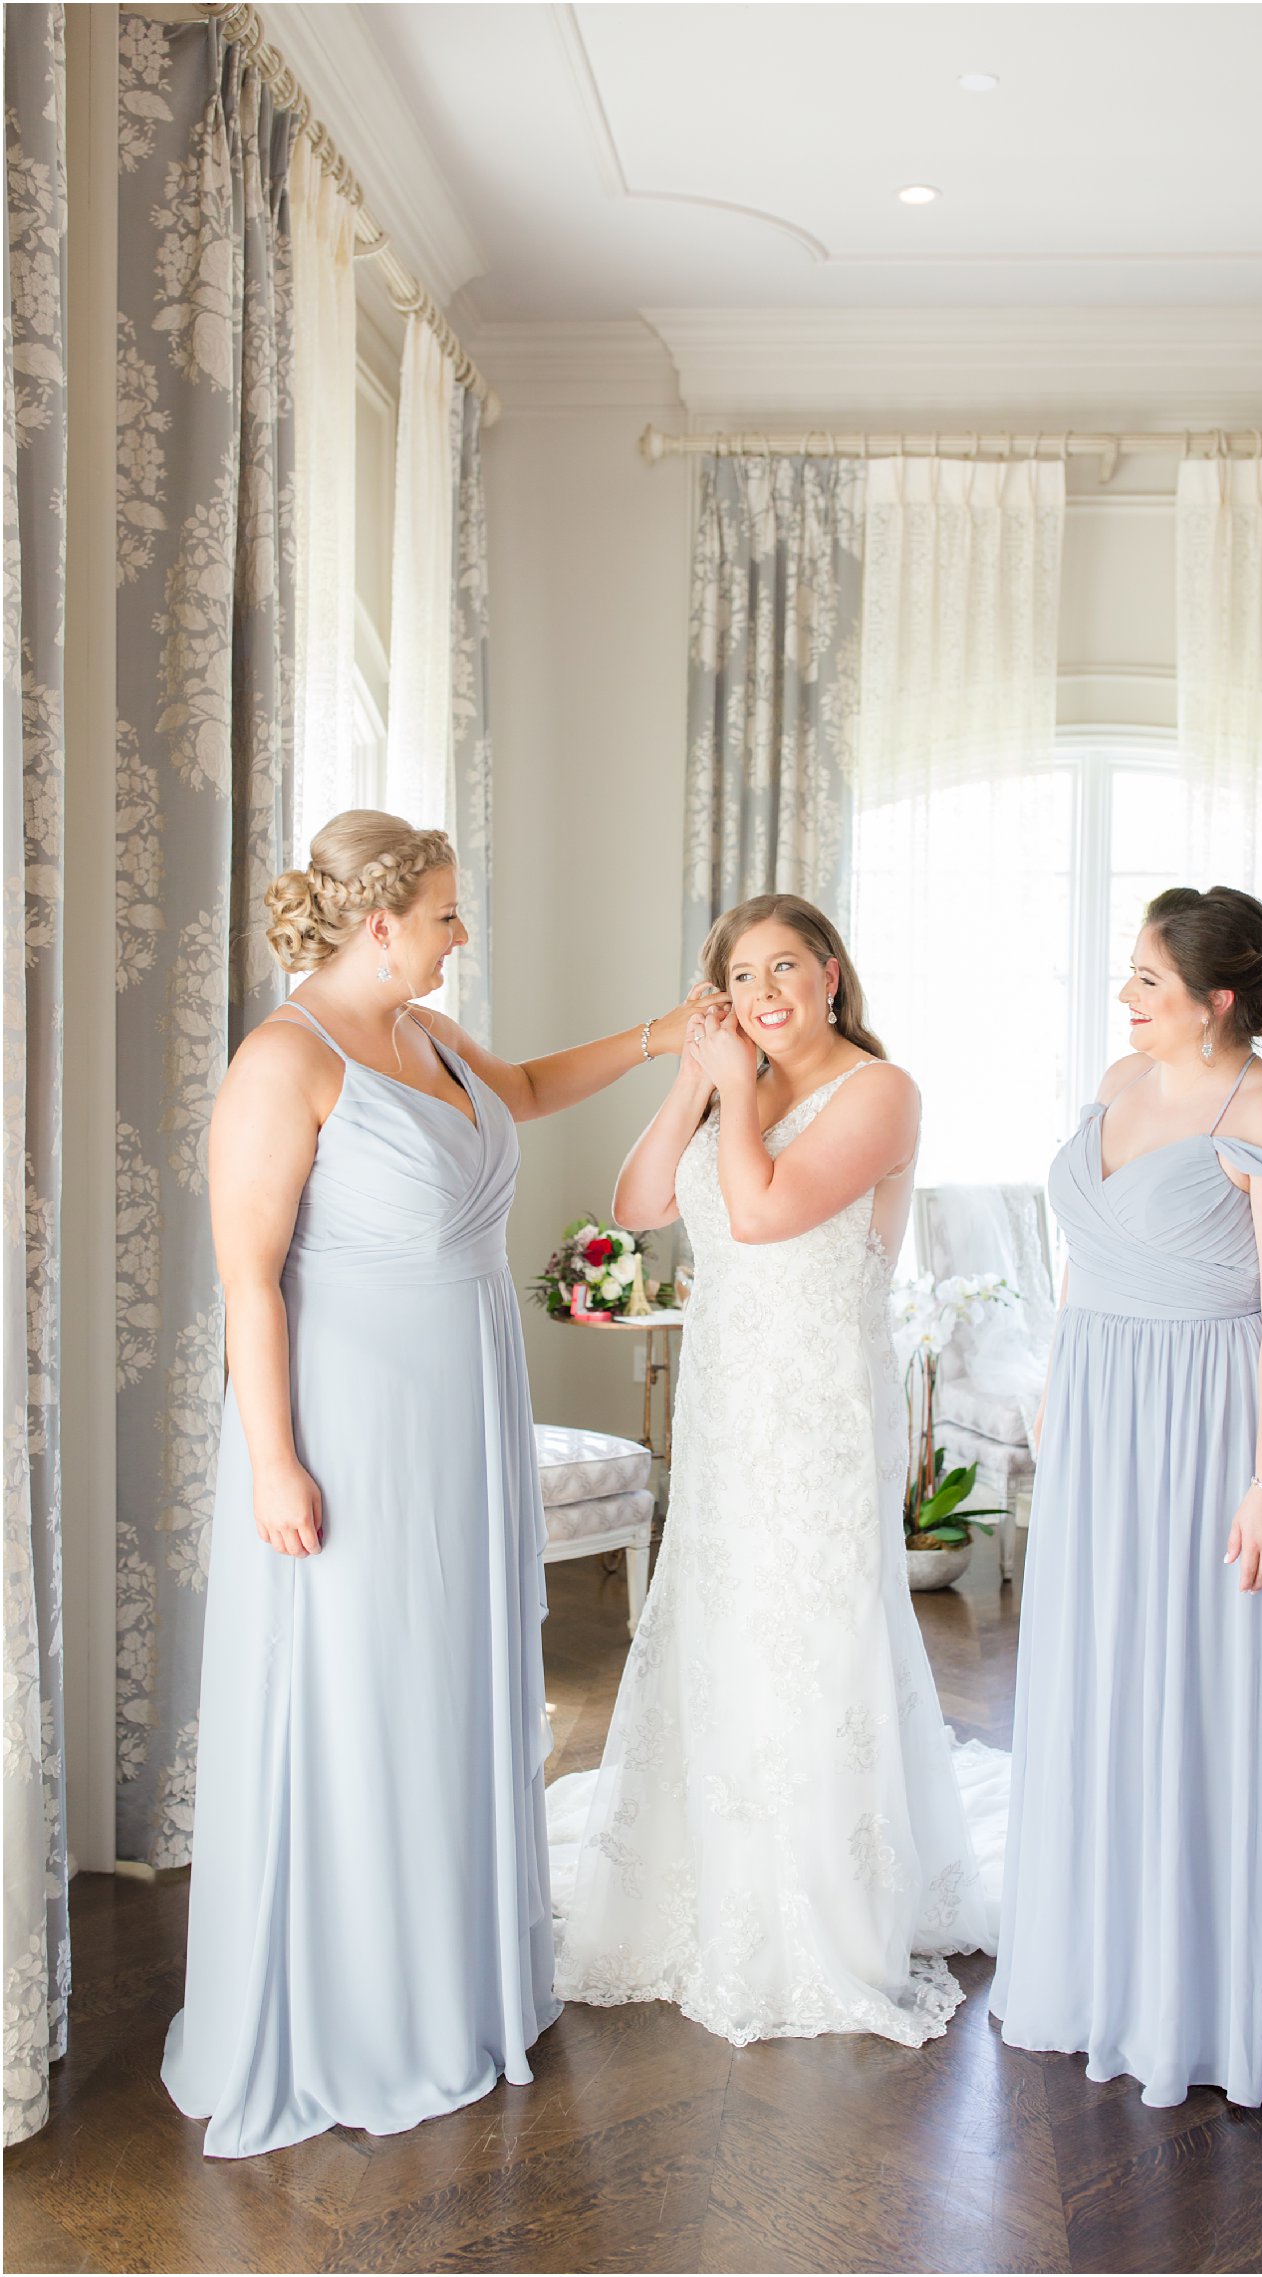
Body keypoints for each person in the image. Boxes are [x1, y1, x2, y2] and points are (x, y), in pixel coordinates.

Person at [161, 809, 694, 2158]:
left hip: (465, 1401)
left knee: (457, 1674)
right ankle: (358, 2001)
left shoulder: (435, 1035)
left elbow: (517, 1091)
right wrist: (275, 1457)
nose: (465, 932)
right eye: (449, 911)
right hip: (351, 1416)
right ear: (382, 920)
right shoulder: (284, 1060)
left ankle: (457, 1972)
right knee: (367, 1679)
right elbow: (247, 1279)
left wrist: (659, 1039)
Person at [548, 893, 995, 2049]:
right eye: (741, 977)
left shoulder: (877, 1092)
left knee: (807, 1635)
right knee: (720, 1627)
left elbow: (757, 1216)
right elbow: (641, 1204)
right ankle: (709, 1877)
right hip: (726, 1404)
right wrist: (694, 1080)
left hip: (814, 1413)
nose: (764, 994)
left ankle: (817, 1915)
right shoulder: (732, 1085)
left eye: (784, 966)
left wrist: (734, 1089)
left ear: (831, 973)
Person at [990, 885, 1262, 2124]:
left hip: (1217, 1424)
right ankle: (1111, 1969)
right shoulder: (1118, 1076)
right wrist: (1062, 1378)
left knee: (1218, 1691)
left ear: (1216, 1001)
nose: (1125, 997)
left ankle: (1220, 1999)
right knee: (1108, 1677)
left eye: (1147, 981)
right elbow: (1084, 1251)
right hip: (1107, 1412)